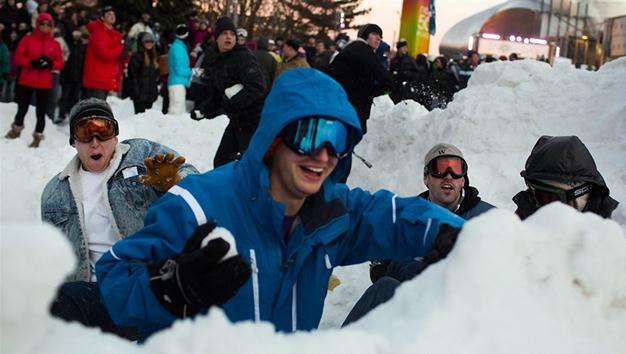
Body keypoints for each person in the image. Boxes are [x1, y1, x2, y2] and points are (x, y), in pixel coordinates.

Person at [95, 68, 464, 338]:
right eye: (309, 135)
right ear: (274, 137)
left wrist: (460, 235)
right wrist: (172, 289)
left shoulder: (331, 214)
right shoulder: (198, 204)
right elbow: (113, 276)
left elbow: (396, 216)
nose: (322, 155)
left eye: (336, 140)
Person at [42, 98, 198, 339]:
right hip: (95, 294)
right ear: (74, 141)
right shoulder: (55, 193)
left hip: (148, 283)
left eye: (103, 130)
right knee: (56, 302)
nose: (95, 142)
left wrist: (175, 184)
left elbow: (195, 182)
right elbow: (53, 259)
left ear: (115, 136)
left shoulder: (143, 155)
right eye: (85, 132)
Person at [344, 143, 495, 326]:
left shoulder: (489, 219)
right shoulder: (408, 216)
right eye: (439, 168)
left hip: (465, 315)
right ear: (426, 178)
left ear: (463, 179)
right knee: (385, 286)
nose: (448, 176)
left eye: (456, 169)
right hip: (412, 311)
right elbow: (379, 262)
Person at [190, 16, 266, 168]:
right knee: (221, 162)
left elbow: (258, 86)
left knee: (249, 165)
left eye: (232, 34)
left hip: (254, 122)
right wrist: (203, 110)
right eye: (224, 33)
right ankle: (226, 191)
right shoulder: (215, 59)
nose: (229, 37)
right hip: (237, 121)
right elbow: (217, 94)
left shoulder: (243, 57)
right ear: (217, 37)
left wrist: (232, 103)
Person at [513, 135, 619, 220]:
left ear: (582, 196)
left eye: (549, 199)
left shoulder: (614, 235)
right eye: (532, 192)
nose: (539, 206)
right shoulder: (527, 215)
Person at [4, 13, 63, 148]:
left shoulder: (55, 44)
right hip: (27, 80)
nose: (45, 27)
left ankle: (38, 136)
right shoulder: (27, 40)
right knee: (22, 107)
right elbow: (18, 57)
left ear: (51, 27)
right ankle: (16, 129)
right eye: (42, 24)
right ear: (37, 25)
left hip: (44, 82)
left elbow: (60, 62)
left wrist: (50, 64)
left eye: (48, 24)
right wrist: (31, 62)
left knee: (41, 111)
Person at [327, 23, 393, 135]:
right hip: (349, 104)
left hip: (343, 101)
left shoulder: (354, 49)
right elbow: (383, 77)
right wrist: (386, 88)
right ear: (365, 35)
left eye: (380, 37)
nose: (378, 38)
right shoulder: (362, 49)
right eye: (375, 34)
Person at [82, 6, 124, 100]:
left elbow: (118, 56)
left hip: (106, 78)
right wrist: (121, 48)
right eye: (108, 14)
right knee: (96, 109)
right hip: (97, 80)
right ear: (102, 18)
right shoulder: (98, 33)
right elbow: (105, 54)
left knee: (100, 109)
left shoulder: (114, 34)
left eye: (113, 14)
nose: (112, 16)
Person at [127, 32, 160, 114]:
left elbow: (154, 78)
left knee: (147, 119)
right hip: (140, 95)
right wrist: (136, 92)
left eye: (151, 41)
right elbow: (132, 75)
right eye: (147, 41)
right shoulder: (137, 56)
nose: (149, 43)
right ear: (142, 43)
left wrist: (155, 92)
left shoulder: (154, 56)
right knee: (140, 118)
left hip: (150, 95)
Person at [57, 29, 85, 123]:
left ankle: (73, 115)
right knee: (65, 96)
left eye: (78, 33)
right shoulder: (67, 44)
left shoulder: (82, 46)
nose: (77, 35)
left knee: (75, 97)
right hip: (67, 75)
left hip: (78, 76)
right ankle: (62, 114)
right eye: (75, 33)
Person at [167, 24, 191, 115]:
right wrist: (192, 72)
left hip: (179, 83)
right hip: (176, 84)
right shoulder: (178, 48)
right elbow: (179, 69)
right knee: (175, 112)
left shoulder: (179, 47)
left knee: (179, 111)